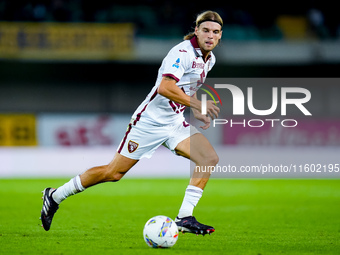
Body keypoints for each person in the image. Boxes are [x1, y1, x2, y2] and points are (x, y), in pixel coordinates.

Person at [41, 10, 223, 235]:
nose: (210, 36)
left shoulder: (209, 59)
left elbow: (184, 89)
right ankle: (55, 196)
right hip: (149, 122)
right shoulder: (182, 52)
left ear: (220, 35)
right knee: (113, 173)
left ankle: (184, 217)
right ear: (196, 30)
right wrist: (197, 105)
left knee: (208, 158)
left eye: (215, 32)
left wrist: (196, 109)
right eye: (205, 30)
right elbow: (165, 88)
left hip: (174, 123)